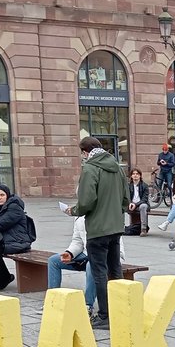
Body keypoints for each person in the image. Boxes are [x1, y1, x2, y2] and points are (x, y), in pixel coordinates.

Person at [67, 136, 127, 328]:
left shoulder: (90, 168)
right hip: (116, 227)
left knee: (100, 272)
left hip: (97, 229)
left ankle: (105, 315)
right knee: (115, 269)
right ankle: (120, 311)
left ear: (85, 152)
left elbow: (86, 202)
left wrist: (73, 210)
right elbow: (125, 199)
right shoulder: (117, 167)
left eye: (82, 153)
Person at [47, 212, 126, 315]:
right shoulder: (79, 217)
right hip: (86, 254)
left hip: (108, 257)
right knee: (53, 261)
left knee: (92, 265)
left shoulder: (104, 215)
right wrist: (70, 253)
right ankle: (53, 301)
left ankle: (88, 305)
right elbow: (77, 241)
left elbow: (114, 245)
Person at [126, 168, 150, 235]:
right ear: (131, 176)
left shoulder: (144, 186)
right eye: (133, 174)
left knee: (143, 206)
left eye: (137, 174)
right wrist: (130, 203)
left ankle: (143, 229)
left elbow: (144, 199)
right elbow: (126, 196)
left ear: (140, 176)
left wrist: (135, 204)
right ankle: (119, 228)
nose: (135, 175)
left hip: (141, 205)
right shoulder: (128, 185)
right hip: (131, 204)